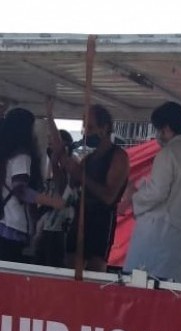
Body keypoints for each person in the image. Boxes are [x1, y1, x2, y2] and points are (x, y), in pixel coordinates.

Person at [119, 102, 181, 284]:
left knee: (144, 292)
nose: (157, 135)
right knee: (174, 296)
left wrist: (133, 195)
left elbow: (158, 192)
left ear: (166, 128)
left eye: (158, 129)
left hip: (159, 238)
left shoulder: (169, 154)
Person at [45, 99, 129, 272]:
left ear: (104, 128)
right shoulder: (89, 159)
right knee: (70, 268)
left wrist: (80, 175)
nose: (85, 133)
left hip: (101, 221)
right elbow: (66, 190)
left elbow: (108, 197)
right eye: (85, 128)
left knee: (94, 272)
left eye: (90, 128)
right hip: (79, 218)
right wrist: (56, 164)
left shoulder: (118, 157)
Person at [0, 107, 43, 263]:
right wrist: (51, 201)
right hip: (14, 224)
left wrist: (0, 116)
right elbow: (21, 190)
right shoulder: (22, 155)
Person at [34, 129, 78, 267]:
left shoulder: (71, 166)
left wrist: (54, 161)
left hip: (60, 231)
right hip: (48, 227)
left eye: (53, 143)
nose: (50, 146)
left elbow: (62, 188)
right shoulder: (54, 168)